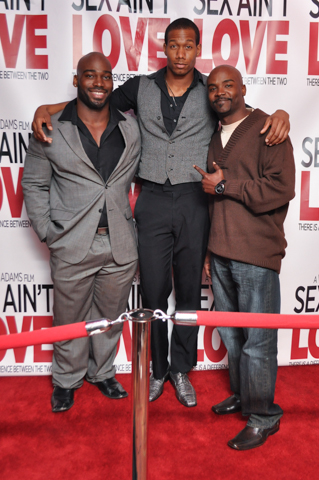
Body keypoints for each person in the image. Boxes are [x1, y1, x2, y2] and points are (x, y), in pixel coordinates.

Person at [31, 19, 290, 408]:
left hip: (194, 202)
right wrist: (44, 108)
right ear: (164, 47)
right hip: (150, 200)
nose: (181, 54)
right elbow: (89, 101)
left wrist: (281, 113)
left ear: (197, 50)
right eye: (174, 46)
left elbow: (243, 111)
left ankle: (181, 370)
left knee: (188, 292)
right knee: (153, 292)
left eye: (188, 47)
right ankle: (156, 370)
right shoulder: (140, 86)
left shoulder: (211, 89)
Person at [22, 52, 141, 413]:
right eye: (89, 76)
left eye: (105, 76)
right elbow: (33, 184)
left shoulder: (131, 127)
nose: (98, 83)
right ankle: (66, 380)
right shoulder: (51, 127)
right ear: (77, 81)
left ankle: (102, 372)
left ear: (112, 81)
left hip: (120, 242)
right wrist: (49, 232)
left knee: (109, 316)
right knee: (69, 317)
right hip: (71, 242)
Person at [194, 65, 295, 449]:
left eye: (228, 85)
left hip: (255, 254)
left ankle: (264, 415)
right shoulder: (215, 137)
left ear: (243, 88)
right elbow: (212, 203)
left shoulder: (269, 128)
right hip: (220, 252)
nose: (220, 92)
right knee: (234, 339)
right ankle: (244, 396)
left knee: (257, 341)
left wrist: (225, 185)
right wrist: (208, 250)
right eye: (213, 87)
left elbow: (280, 188)